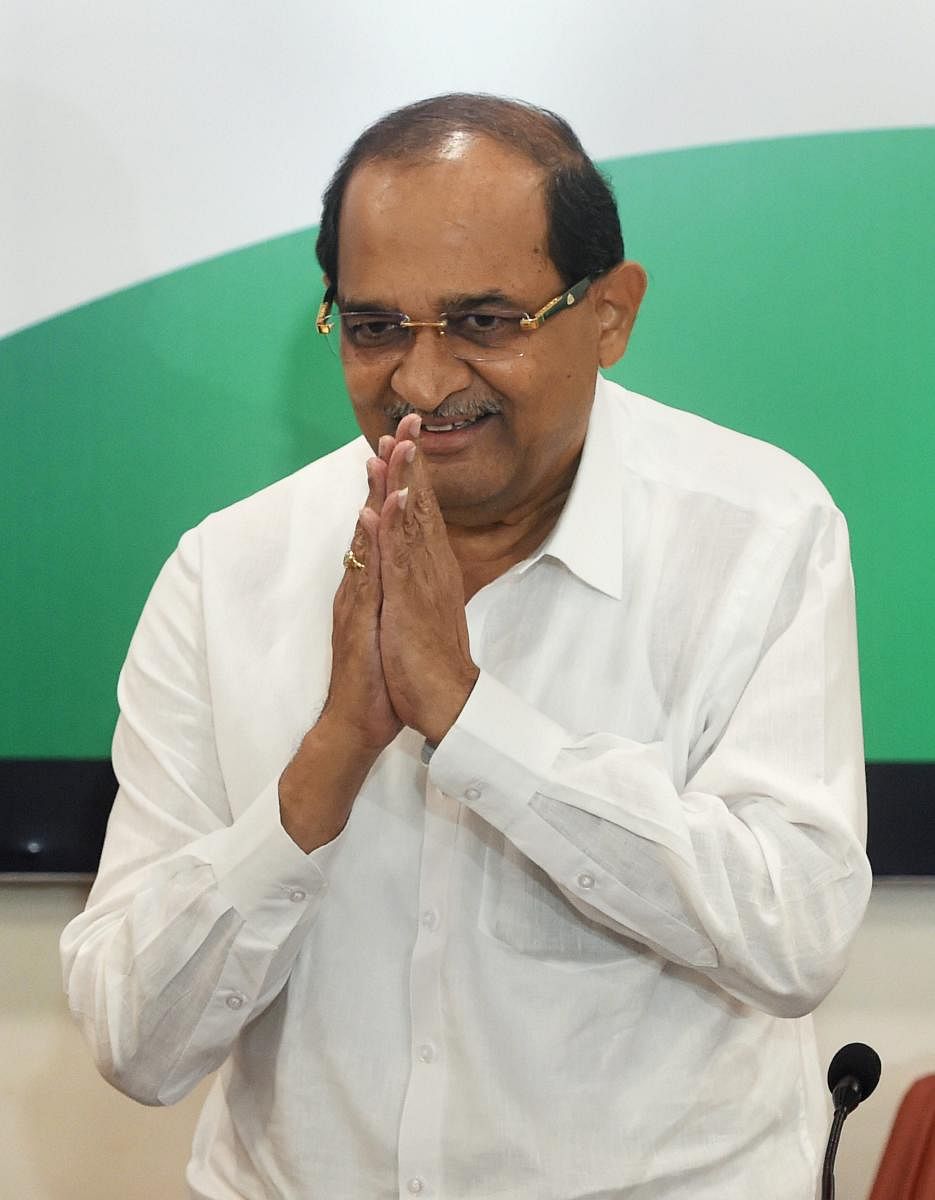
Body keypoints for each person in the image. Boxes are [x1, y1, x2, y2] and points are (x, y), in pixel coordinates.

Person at [61, 94, 872, 1199]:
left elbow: (793, 935)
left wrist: (473, 720)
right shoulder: (226, 573)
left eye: (485, 322)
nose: (424, 381)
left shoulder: (756, 533)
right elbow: (134, 1045)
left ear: (610, 313)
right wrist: (328, 762)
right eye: (374, 326)